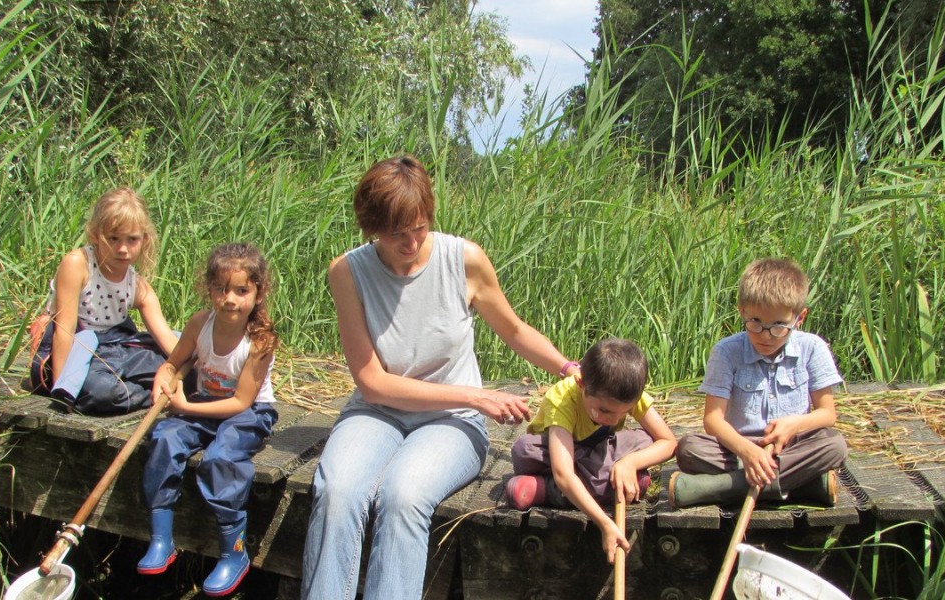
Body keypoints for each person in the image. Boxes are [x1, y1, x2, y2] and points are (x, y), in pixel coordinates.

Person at [301, 155, 579, 600]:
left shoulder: (463, 259)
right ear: (372, 227)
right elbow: (372, 382)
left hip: (451, 422)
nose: (411, 242)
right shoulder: (348, 272)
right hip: (377, 411)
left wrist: (568, 368)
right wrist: (477, 396)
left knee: (403, 495)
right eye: (397, 233)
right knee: (337, 491)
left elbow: (514, 330)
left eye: (419, 227)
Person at [137, 243, 279, 597]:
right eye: (221, 289)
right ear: (209, 289)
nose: (229, 299)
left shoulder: (260, 341)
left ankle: (234, 553)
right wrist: (163, 378)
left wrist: (185, 407)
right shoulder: (200, 323)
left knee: (221, 457)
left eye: (241, 291)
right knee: (164, 438)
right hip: (203, 403)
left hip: (248, 413)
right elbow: (174, 362)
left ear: (258, 292)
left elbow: (241, 401)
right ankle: (161, 538)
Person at [670, 258, 847, 508]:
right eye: (755, 323)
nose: (765, 336)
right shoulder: (726, 352)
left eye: (778, 326)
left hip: (790, 448)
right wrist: (747, 451)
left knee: (834, 445)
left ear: (800, 317)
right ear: (742, 311)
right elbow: (712, 420)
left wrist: (794, 425)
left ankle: (722, 487)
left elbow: (827, 414)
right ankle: (799, 484)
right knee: (688, 449)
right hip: (737, 449)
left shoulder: (812, 348)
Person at [505, 337, 677, 564]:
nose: (613, 419)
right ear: (581, 384)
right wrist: (605, 522)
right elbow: (563, 473)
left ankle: (545, 489)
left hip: (600, 451)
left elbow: (668, 441)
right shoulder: (562, 398)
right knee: (523, 451)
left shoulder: (626, 392)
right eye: (603, 411)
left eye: (622, 412)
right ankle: (579, 486)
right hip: (558, 454)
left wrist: (630, 462)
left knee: (645, 440)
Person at [29, 187, 178, 414]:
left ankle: (151, 389)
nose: (122, 249)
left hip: (118, 350)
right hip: (78, 353)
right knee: (103, 392)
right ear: (95, 235)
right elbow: (64, 331)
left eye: (132, 239)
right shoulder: (77, 264)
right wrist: (63, 388)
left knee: (184, 358)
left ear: (144, 240)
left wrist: (180, 366)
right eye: (113, 238)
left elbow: (167, 339)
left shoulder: (138, 286)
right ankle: (150, 394)